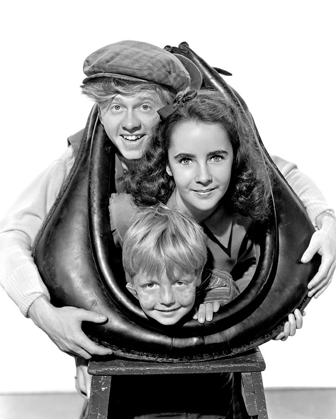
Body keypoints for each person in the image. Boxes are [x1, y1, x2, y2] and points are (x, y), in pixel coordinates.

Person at [0, 40, 334, 412]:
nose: (129, 123)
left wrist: (326, 223)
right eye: (114, 107)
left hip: (210, 369)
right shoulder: (84, 167)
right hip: (125, 358)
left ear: (170, 110)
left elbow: (281, 176)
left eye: (144, 105)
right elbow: (14, 237)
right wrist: (46, 315)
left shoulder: (196, 151)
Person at [122, 203, 240, 325]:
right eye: (150, 285)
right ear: (133, 282)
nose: (167, 299)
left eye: (179, 283)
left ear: (198, 274)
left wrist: (221, 315)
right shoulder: (124, 301)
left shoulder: (224, 290)